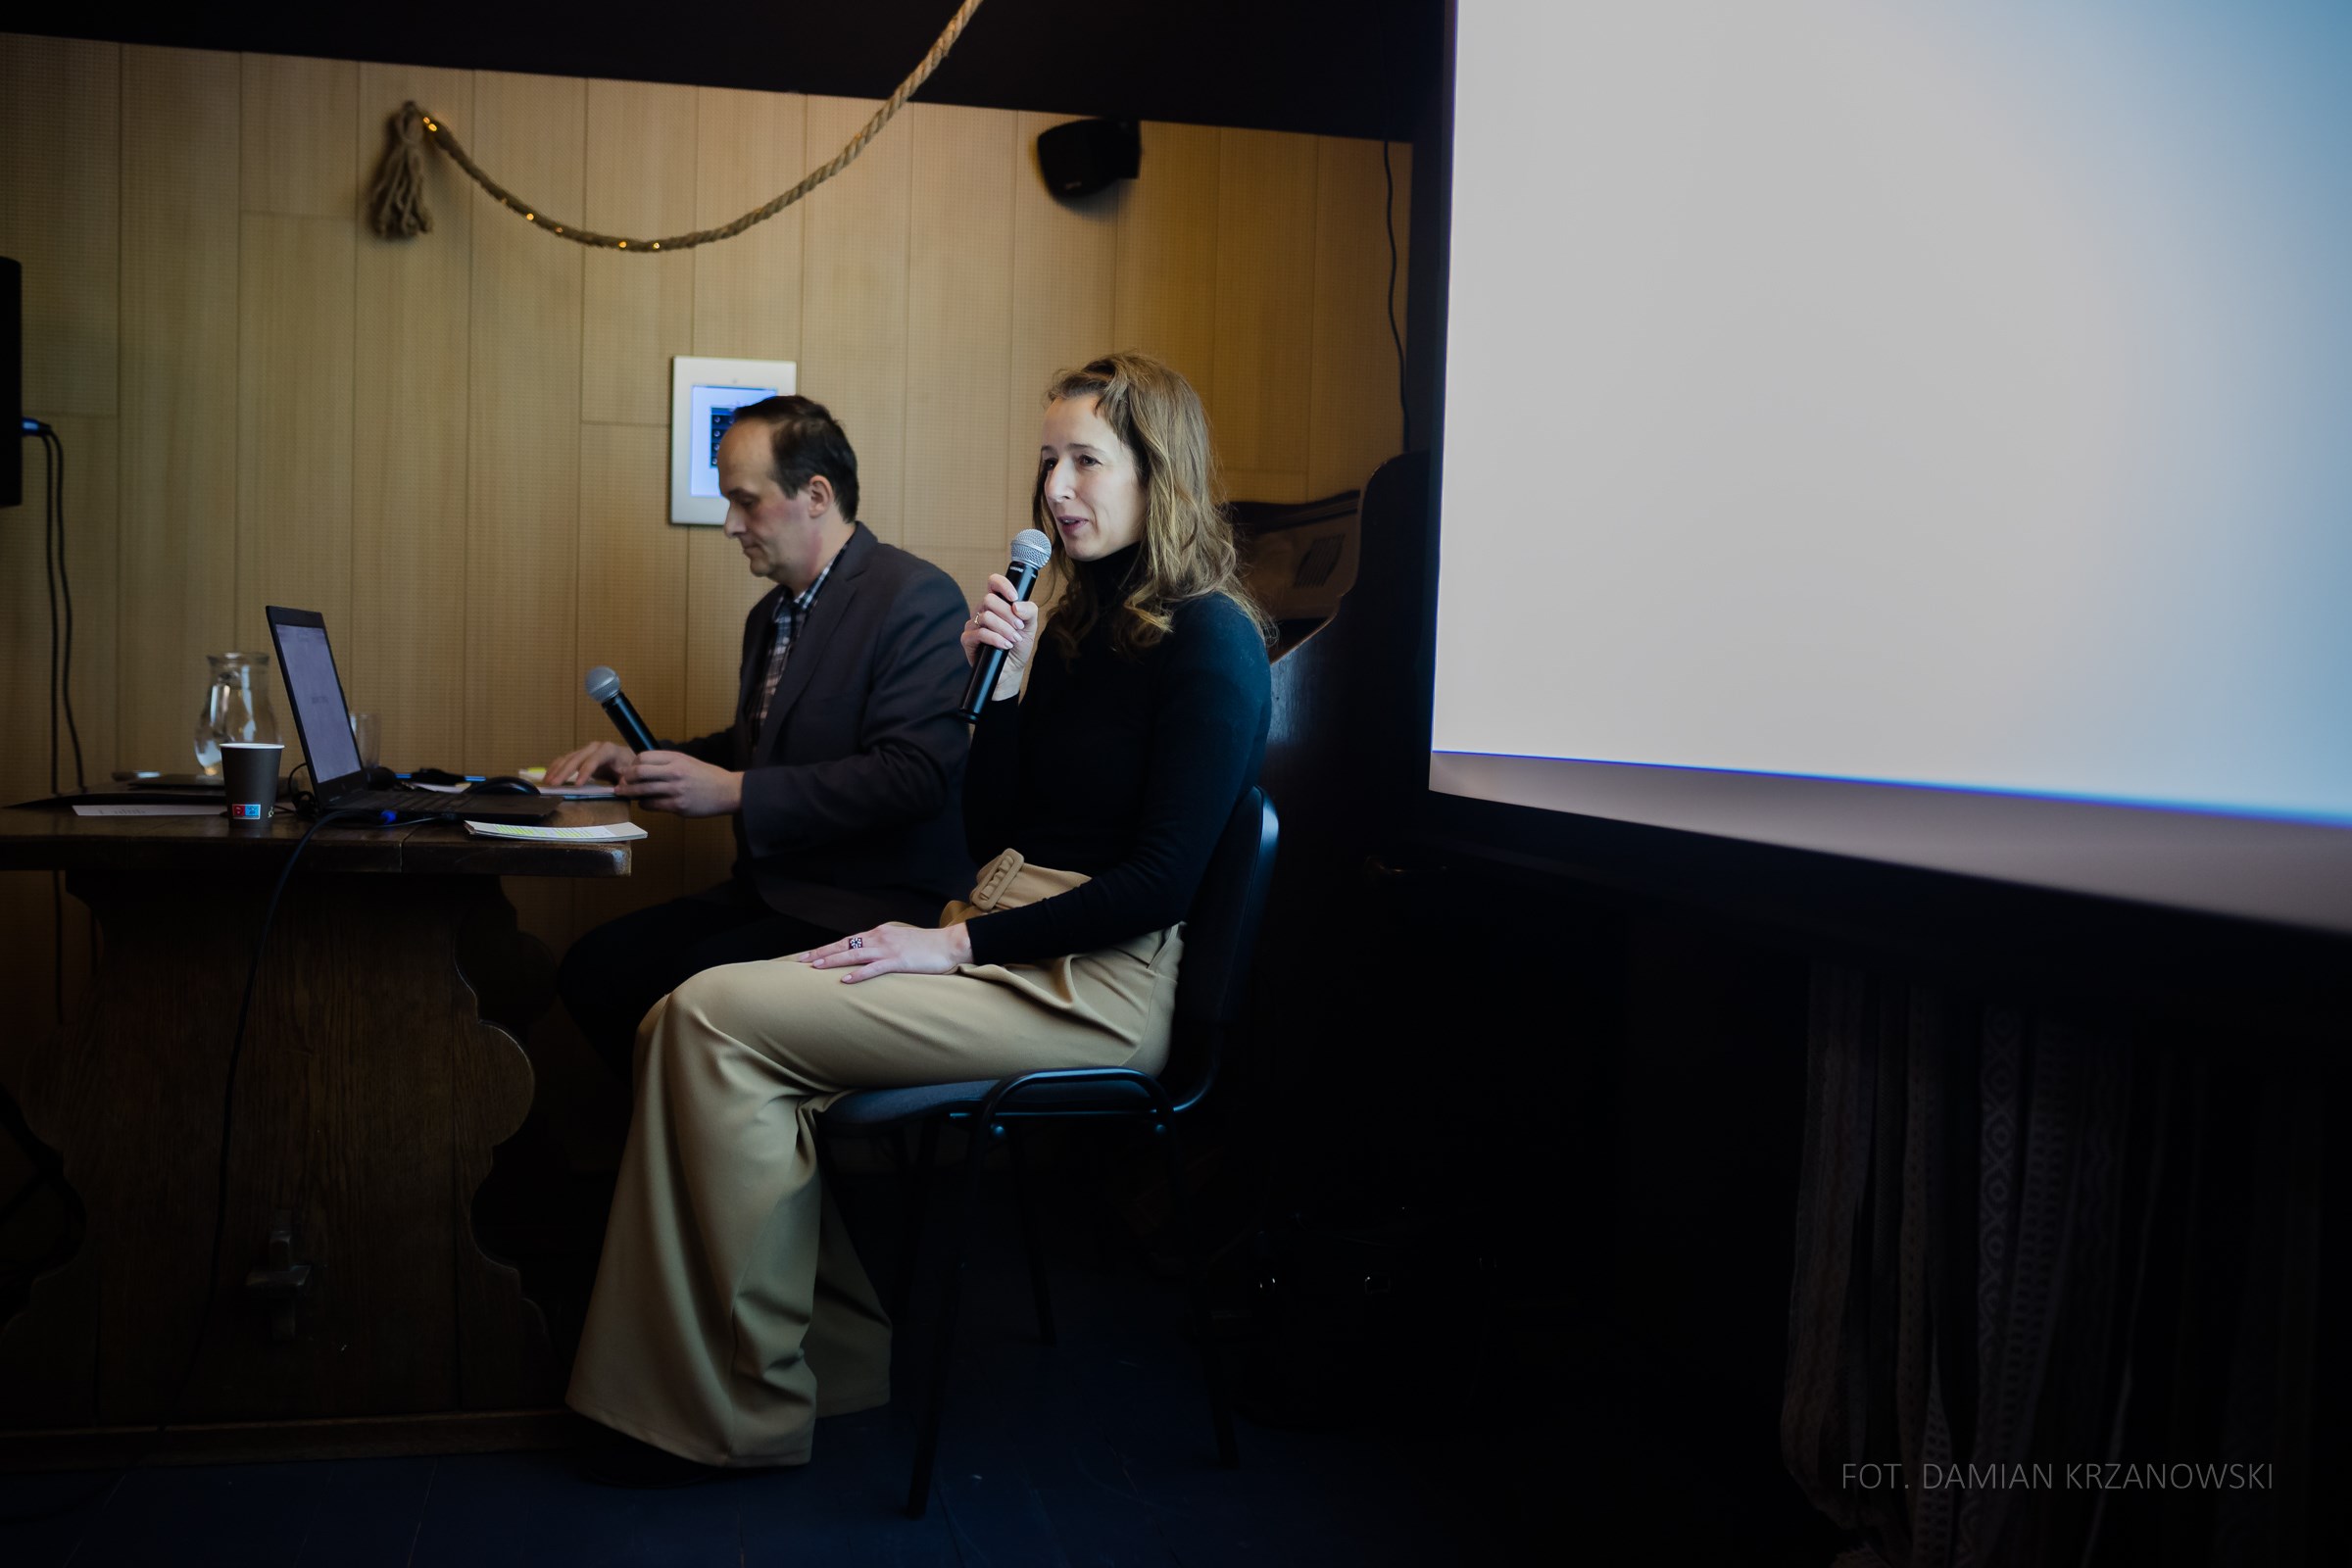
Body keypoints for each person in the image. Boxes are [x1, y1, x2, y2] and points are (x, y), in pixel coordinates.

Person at [566, 353, 1274, 1483]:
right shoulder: (1072, 628)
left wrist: (952, 945)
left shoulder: (1213, 638)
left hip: (1096, 986)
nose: (1056, 490)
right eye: (1048, 461)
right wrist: (1003, 695)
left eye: (1088, 462)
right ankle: (835, 1354)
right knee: (673, 1021)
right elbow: (994, 829)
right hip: (1000, 932)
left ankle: (743, 1406)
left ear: (1160, 473)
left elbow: (1161, 884)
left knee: (706, 1019)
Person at [543, 395, 975, 1084]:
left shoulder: (913, 596)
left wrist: (735, 790)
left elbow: (913, 776)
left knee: (671, 988)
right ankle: (682, 1134)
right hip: (772, 893)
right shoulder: (770, 614)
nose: (730, 525)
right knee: (595, 968)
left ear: (816, 495)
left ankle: (714, 1135)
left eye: (745, 502)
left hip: (873, 908)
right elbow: (764, 745)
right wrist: (647, 763)